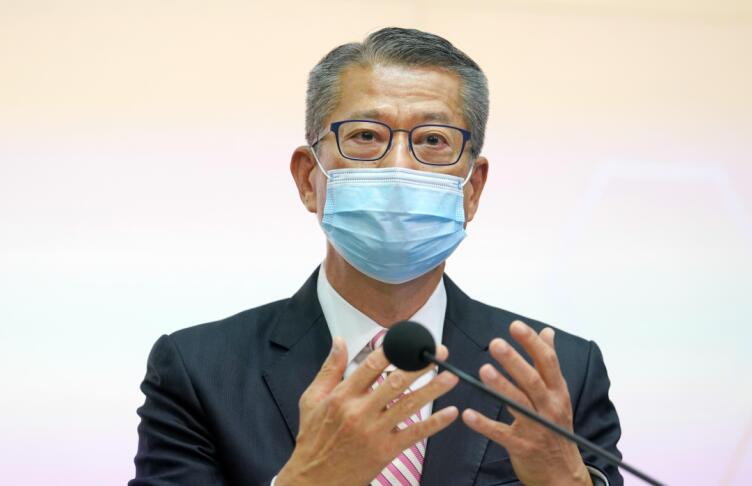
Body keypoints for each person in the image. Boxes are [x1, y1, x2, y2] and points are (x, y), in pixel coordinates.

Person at [130, 27, 622, 486]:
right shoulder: (199, 371)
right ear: (308, 178)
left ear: (472, 189)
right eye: (366, 136)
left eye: (433, 140)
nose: (398, 166)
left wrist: (569, 480)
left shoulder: (559, 376)